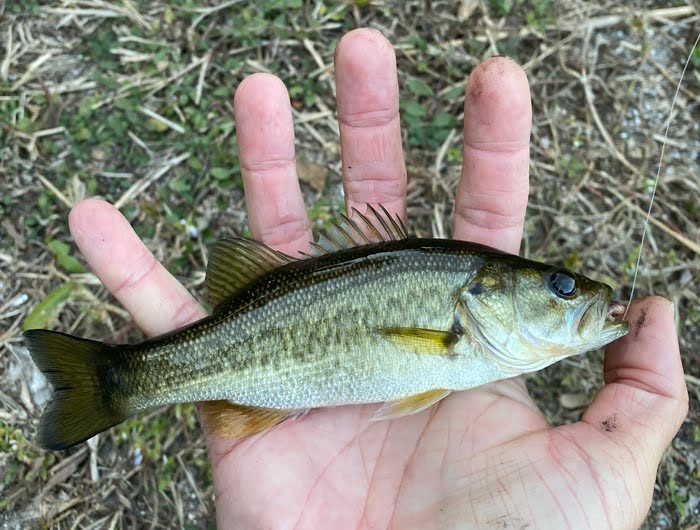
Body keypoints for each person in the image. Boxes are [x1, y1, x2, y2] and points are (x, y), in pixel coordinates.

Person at [67, 29, 687, 529]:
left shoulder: (466, 342)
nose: (575, 296)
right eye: (560, 288)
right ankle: (120, 380)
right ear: (483, 295)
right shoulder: (461, 338)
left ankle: (120, 381)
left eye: (563, 289)